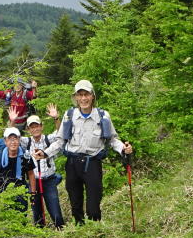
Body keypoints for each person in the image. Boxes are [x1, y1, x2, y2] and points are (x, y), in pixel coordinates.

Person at [37, 79, 133, 225]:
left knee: (93, 207)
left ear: (92, 96)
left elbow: (113, 139)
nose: (83, 98)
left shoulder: (103, 116)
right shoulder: (69, 116)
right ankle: (80, 232)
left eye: (86, 94)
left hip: (93, 163)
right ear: (75, 97)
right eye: (80, 95)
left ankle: (95, 232)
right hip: (73, 164)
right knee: (75, 204)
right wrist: (45, 153)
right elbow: (60, 141)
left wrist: (123, 149)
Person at [22, 108, 65, 228]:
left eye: (37, 126)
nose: (35, 129)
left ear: (42, 126)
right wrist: (13, 121)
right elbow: (12, 137)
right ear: (28, 129)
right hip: (33, 181)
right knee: (37, 213)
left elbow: (60, 134)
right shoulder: (26, 142)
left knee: (55, 211)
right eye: (32, 127)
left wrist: (56, 118)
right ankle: (40, 233)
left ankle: (60, 230)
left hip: (49, 180)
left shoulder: (48, 139)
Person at [0, 126, 36, 214]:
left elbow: (31, 174)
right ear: (5, 141)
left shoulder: (25, 156)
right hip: (1, 190)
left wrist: (32, 193)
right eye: (10, 139)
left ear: (19, 140)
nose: (13, 142)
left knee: (21, 218)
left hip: (20, 190)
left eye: (15, 138)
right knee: (4, 218)